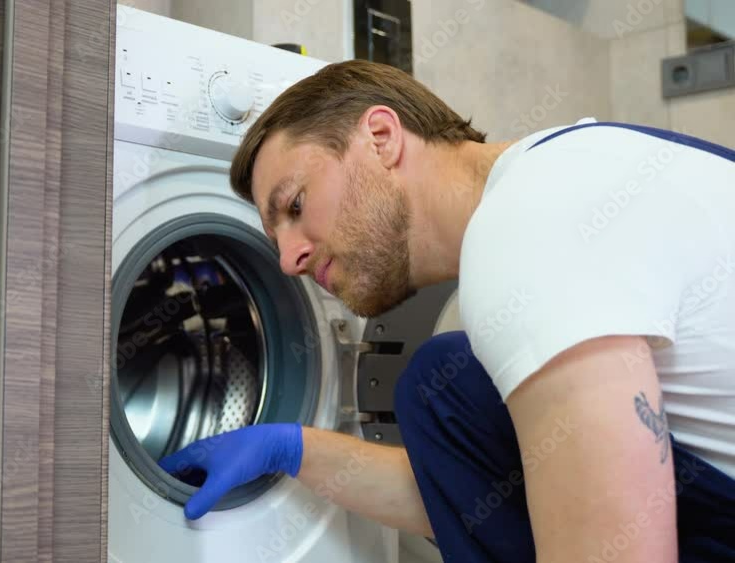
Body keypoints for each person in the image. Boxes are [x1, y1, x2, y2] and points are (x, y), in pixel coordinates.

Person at [157, 59, 735, 562]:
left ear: (381, 137)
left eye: (296, 205)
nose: (288, 259)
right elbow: (487, 496)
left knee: (439, 386)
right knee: (444, 386)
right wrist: (291, 448)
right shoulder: (566, 166)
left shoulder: (527, 232)